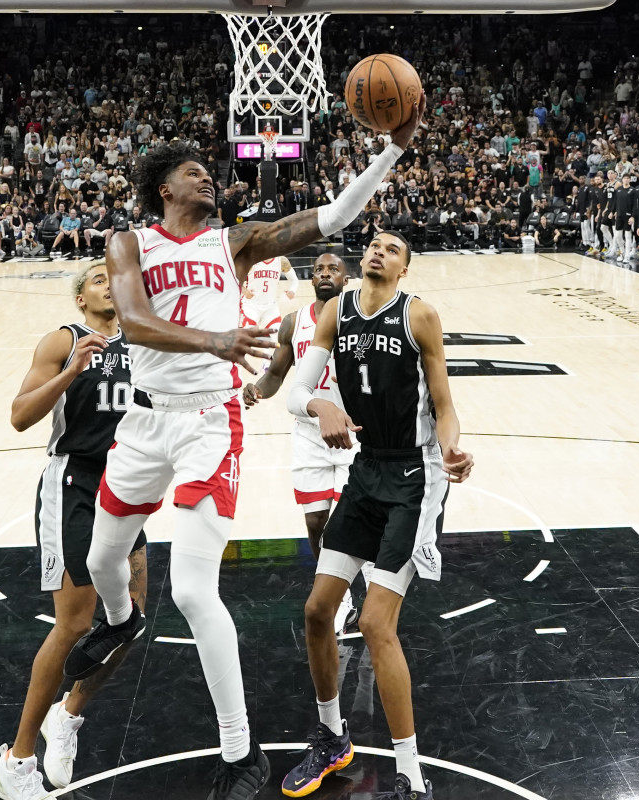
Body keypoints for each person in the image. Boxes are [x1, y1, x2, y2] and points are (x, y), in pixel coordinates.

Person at [66, 94, 428, 800]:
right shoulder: (129, 243)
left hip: (210, 422)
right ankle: (118, 620)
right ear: (165, 189)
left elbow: (331, 218)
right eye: (197, 174)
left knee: (197, 590)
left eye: (211, 173)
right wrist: (216, 340)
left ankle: (241, 756)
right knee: (101, 560)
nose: (211, 180)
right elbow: (135, 322)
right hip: (142, 424)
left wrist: (391, 151)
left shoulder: (232, 242)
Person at [283, 230, 474, 799]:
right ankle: (332, 737)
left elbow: (443, 404)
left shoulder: (420, 316)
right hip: (366, 471)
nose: (377, 251)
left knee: (373, 623)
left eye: (392, 249)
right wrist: (321, 404)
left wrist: (453, 449)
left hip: (416, 478)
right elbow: (296, 391)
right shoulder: (334, 312)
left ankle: (411, 775)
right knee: (318, 610)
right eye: (372, 244)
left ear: (405, 269)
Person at [0, 263, 148, 800]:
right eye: (98, 278)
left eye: (114, 276)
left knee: (131, 619)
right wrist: (71, 371)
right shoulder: (65, 339)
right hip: (74, 485)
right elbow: (18, 416)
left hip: (124, 486)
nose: (110, 282)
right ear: (81, 297)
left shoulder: (143, 338)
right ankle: (17, 759)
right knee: (76, 623)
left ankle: (69, 714)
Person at [242, 254, 368, 635]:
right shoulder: (294, 322)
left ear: (347, 278)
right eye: (318, 269)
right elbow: (277, 371)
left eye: (333, 269)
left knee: (358, 519)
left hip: (354, 431)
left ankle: (373, 589)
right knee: (316, 521)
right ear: (310, 277)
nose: (324, 274)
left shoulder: (360, 317)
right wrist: (256, 390)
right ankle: (341, 596)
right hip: (308, 433)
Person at [240, 255, 299, 330]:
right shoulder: (251, 259)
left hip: (271, 307)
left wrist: (292, 290)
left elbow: (294, 280)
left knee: (277, 335)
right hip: (251, 306)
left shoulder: (281, 261)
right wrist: (245, 291)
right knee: (250, 336)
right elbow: (234, 279)